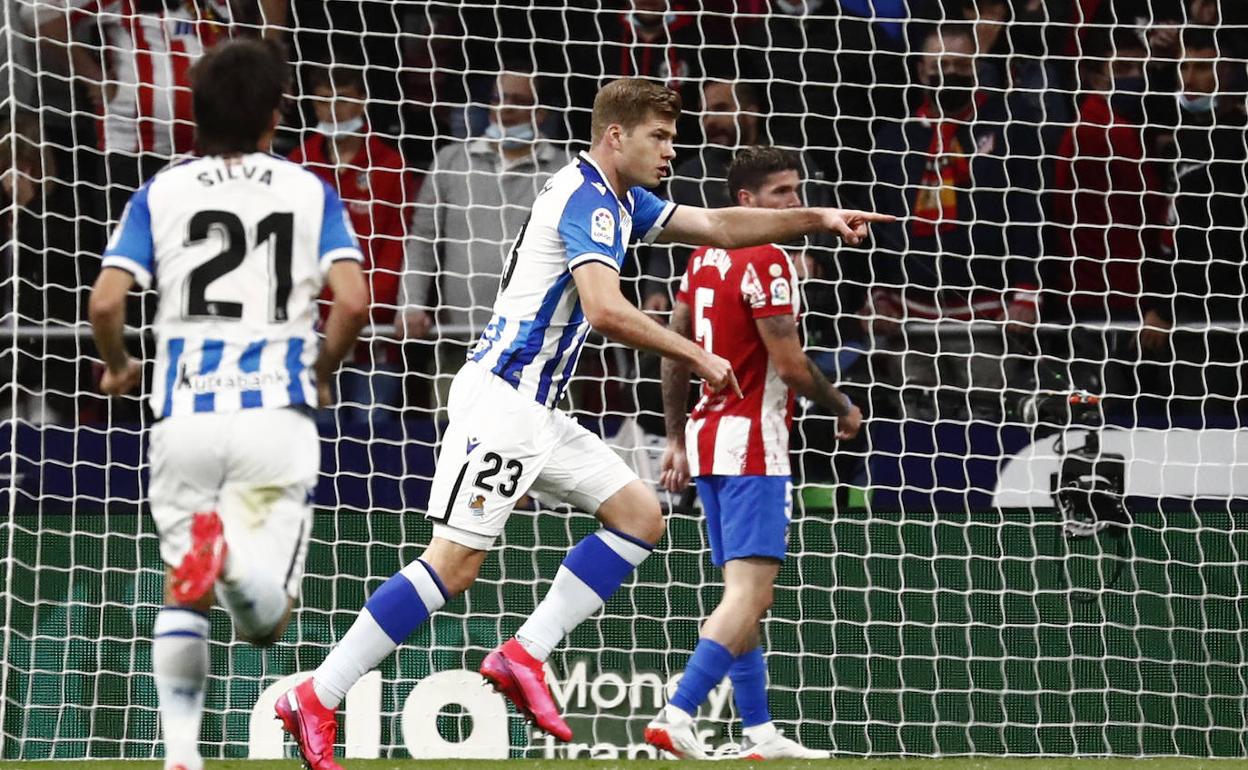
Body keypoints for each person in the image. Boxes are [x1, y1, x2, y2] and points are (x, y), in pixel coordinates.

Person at [273, 77, 889, 770]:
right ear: (616, 135)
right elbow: (602, 308)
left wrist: (817, 218)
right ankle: (318, 695)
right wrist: (693, 351)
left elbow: (718, 226)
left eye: (672, 137)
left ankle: (522, 654)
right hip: (504, 402)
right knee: (454, 563)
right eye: (658, 136)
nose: (670, 149)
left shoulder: (623, 198)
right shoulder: (589, 199)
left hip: (538, 410)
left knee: (640, 515)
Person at [86, 39, 368, 770]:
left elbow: (107, 301)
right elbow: (356, 303)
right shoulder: (309, 190)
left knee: (185, 591)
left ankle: (181, 757)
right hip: (276, 416)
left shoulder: (163, 190)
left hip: (183, 416)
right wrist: (325, 368)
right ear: (276, 116)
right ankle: (235, 564)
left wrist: (119, 366)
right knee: (267, 624)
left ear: (196, 114)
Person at [643, 147, 863, 760]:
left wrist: (678, 436)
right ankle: (679, 712)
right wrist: (843, 407)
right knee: (750, 595)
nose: (794, 203)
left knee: (744, 600)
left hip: (709, 444)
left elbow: (674, 351)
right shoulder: (767, 258)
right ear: (746, 202)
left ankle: (760, 734)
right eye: (780, 194)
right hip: (754, 444)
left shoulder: (701, 257)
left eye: (798, 191)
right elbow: (790, 367)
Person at [397, 67, 568, 415]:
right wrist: (411, 302)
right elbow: (422, 242)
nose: (505, 109)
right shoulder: (451, 162)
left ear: (541, 112)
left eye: (518, 101)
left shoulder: (566, 169)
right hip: (460, 343)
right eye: (497, 99)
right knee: (450, 452)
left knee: (542, 456)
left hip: (539, 350)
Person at [289, 65, 418, 424]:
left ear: (361, 100)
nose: (333, 109)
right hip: (310, 334)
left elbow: (398, 248)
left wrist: (360, 311)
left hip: (373, 337)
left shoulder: (391, 166)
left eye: (342, 98)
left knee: (372, 435)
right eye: (323, 100)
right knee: (318, 440)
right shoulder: (297, 166)